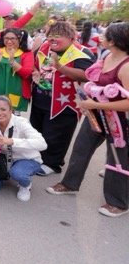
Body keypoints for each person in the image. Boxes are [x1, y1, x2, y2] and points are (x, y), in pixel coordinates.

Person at [46, 22, 129, 217]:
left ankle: (118, 202)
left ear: (114, 41)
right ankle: (70, 184)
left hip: (119, 121)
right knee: (81, 147)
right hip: (96, 113)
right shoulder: (106, 56)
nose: (100, 37)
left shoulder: (126, 66)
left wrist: (97, 105)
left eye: (105, 35)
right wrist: (89, 100)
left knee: (117, 159)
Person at [30, 21, 94, 176]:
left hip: (65, 103)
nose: (53, 39)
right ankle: (36, 158)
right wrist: (35, 71)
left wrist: (60, 67)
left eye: (58, 36)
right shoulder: (44, 47)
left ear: (71, 38)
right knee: (37, 131)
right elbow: (33, 62)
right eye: (51, 35)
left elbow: (87, 75)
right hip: (40, 99)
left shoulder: (81, 52)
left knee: (57, 134)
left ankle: (52, 163)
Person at [0, 96, 47, 201]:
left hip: (25, 158)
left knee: (18, 173)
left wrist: (12, 141)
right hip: (4, 158)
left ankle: (25, 185)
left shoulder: (21, 123)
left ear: (11, 110)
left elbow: (42, 144)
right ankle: (6, 173)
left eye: (3, 109)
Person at [0, 28, 34, 113]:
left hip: (16, 91)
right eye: (6, 38)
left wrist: (13, 62)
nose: (9, 41)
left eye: (12, 38)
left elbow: (26, 73)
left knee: (12, 116)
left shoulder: (27, 53)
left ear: (19, 39)